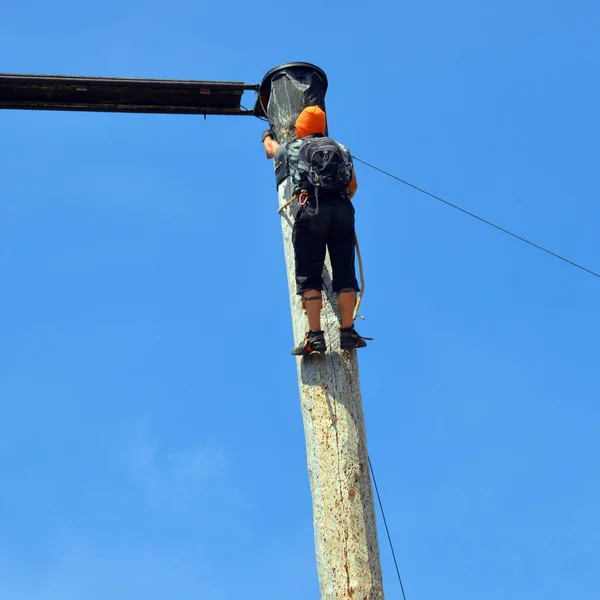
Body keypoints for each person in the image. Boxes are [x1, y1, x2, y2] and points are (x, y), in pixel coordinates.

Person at [262, 105, 369, 356]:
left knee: (309, 275)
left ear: (300, 128)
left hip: (311, 209)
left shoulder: (295, 147)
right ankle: (348, 332)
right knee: (345, 273)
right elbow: (352, 185)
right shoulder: (342, 149)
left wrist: (266, 136)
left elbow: (271, 151)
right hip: (342, 211)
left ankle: (315, 336)